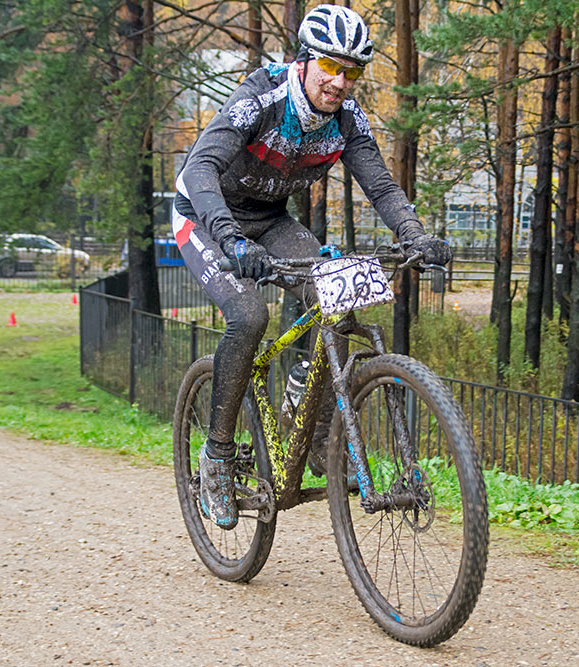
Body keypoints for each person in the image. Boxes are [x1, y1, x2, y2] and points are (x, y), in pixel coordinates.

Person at [172, 4, 452, 529]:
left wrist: (414, 235)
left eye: (352, 71)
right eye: (329, 66)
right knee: (249, 317)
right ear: (303, 61)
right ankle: (216, 455)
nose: (339, 81)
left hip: (271, 219)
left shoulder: (347, 120)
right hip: (205, 216)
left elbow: (382, 187)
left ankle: (317, 426)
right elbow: (201, 167)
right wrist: (230, 238)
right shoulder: (263, 94)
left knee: (338, 297)